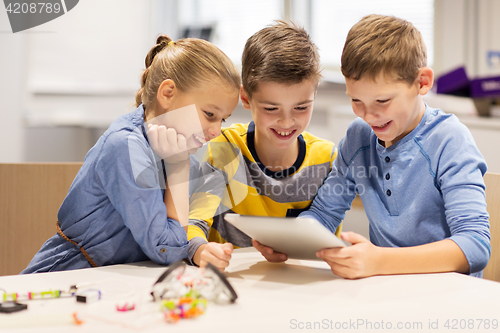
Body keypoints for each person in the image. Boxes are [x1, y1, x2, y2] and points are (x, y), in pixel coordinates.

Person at [284, 14, 489, 279]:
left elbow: (476, 245)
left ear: (422, 82)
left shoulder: (449, 140)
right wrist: (291, 241)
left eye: (382, 101)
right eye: (356, 100)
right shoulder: (358, 139)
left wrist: (380, 261)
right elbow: (324, 213)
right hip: (384, 291)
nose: (368, 116)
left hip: (446, 297)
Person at [22, 35, 240, 273]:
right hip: (64, 279)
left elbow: (180, 233)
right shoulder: (125, 147)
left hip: (115, 281)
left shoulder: (180, 152)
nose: (217, 131)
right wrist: (178, 166)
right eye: (210, 114)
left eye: (223, 119)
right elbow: (165, 248)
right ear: (167, 94)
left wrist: (196, 248)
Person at [187, 21, 340, 270]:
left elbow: (324, 241)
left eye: (301, 107)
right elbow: (195, 221)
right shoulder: (227, 148)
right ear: (246, 98)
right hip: (236, 284)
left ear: (315, 95)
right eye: (271, 108)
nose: (286, 121)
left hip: (302, 288)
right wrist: (199, 249)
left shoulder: (326, 158)